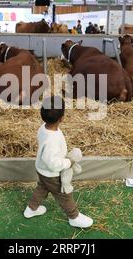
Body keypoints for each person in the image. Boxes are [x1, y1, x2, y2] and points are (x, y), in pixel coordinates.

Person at [23, 96, 93, 229]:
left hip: (42, 169)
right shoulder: (52, 140)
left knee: (42, 188)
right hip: (52, 174)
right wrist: (68, 162)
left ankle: (31, 209)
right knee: (64, 194)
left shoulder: (43, 128)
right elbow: (53, 163)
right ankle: (74, 217)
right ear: (62, 118)